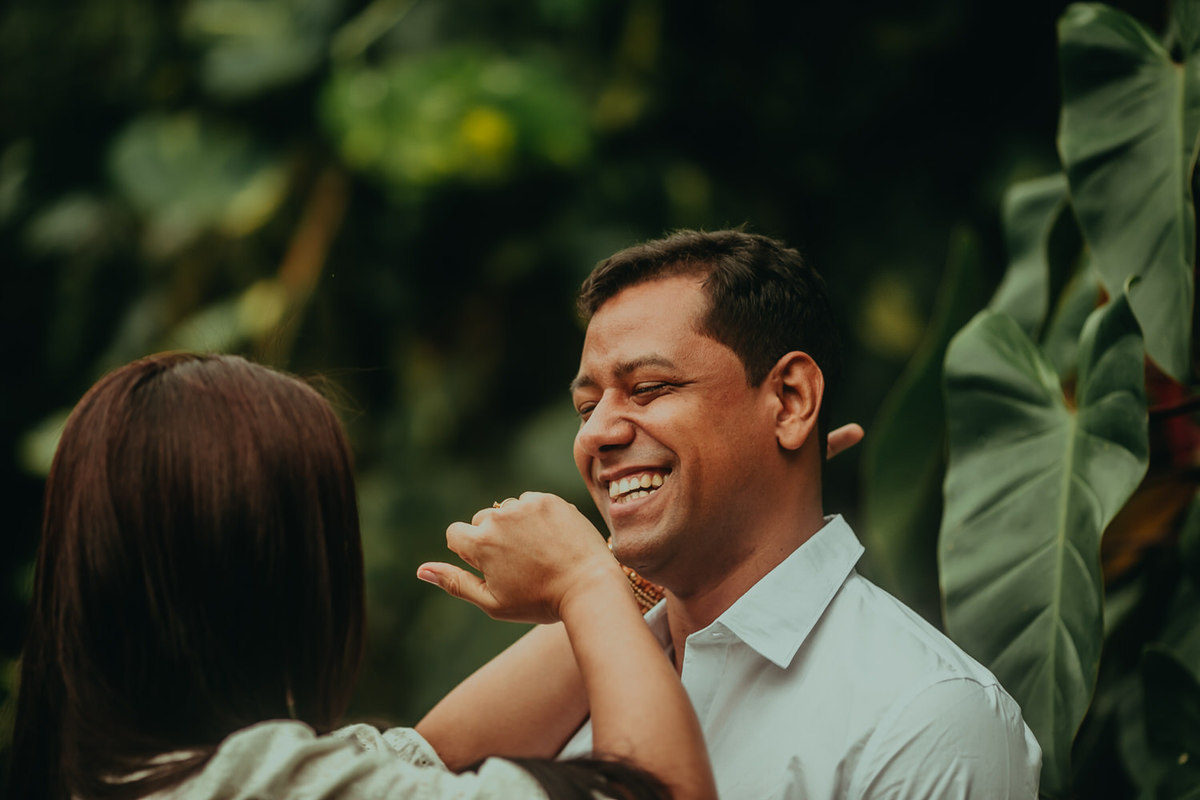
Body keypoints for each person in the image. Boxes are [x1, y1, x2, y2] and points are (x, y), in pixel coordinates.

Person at [419, 229, 1042, 798]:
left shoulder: (927, 717)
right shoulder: (594, 663)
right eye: (587, 408)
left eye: (649, 388)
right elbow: (412, 775)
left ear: (791, 400)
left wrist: (589, 579)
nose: (596, 434)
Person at [6, 352, 717, 800]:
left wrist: (632, 568)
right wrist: (584, 581)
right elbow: (658, 791)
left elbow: (432, 754)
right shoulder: (251, 783)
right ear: (276, 578)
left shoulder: (128, 774)